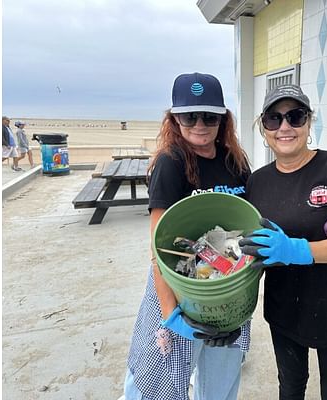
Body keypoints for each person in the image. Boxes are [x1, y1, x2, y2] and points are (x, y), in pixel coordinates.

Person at [123, 72, 252, 400]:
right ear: (173, 118)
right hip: (179, 288)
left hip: (228, 288)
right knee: (157, 381)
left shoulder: (234, 161)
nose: (200, 124)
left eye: (209, 116)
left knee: (221, 381)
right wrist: (170, 315)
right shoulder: (171, 162)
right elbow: (158, 248)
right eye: (189, 116)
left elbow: (249, 225)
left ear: (223, 119)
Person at [239, 84, 327, 400]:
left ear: (309, 123)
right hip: (285, 306)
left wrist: (296, 249)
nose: (285, 127)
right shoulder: (257, 181)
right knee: (291, 388)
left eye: (295, 117)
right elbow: (251, 248)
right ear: (263, 128)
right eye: (274, 119)